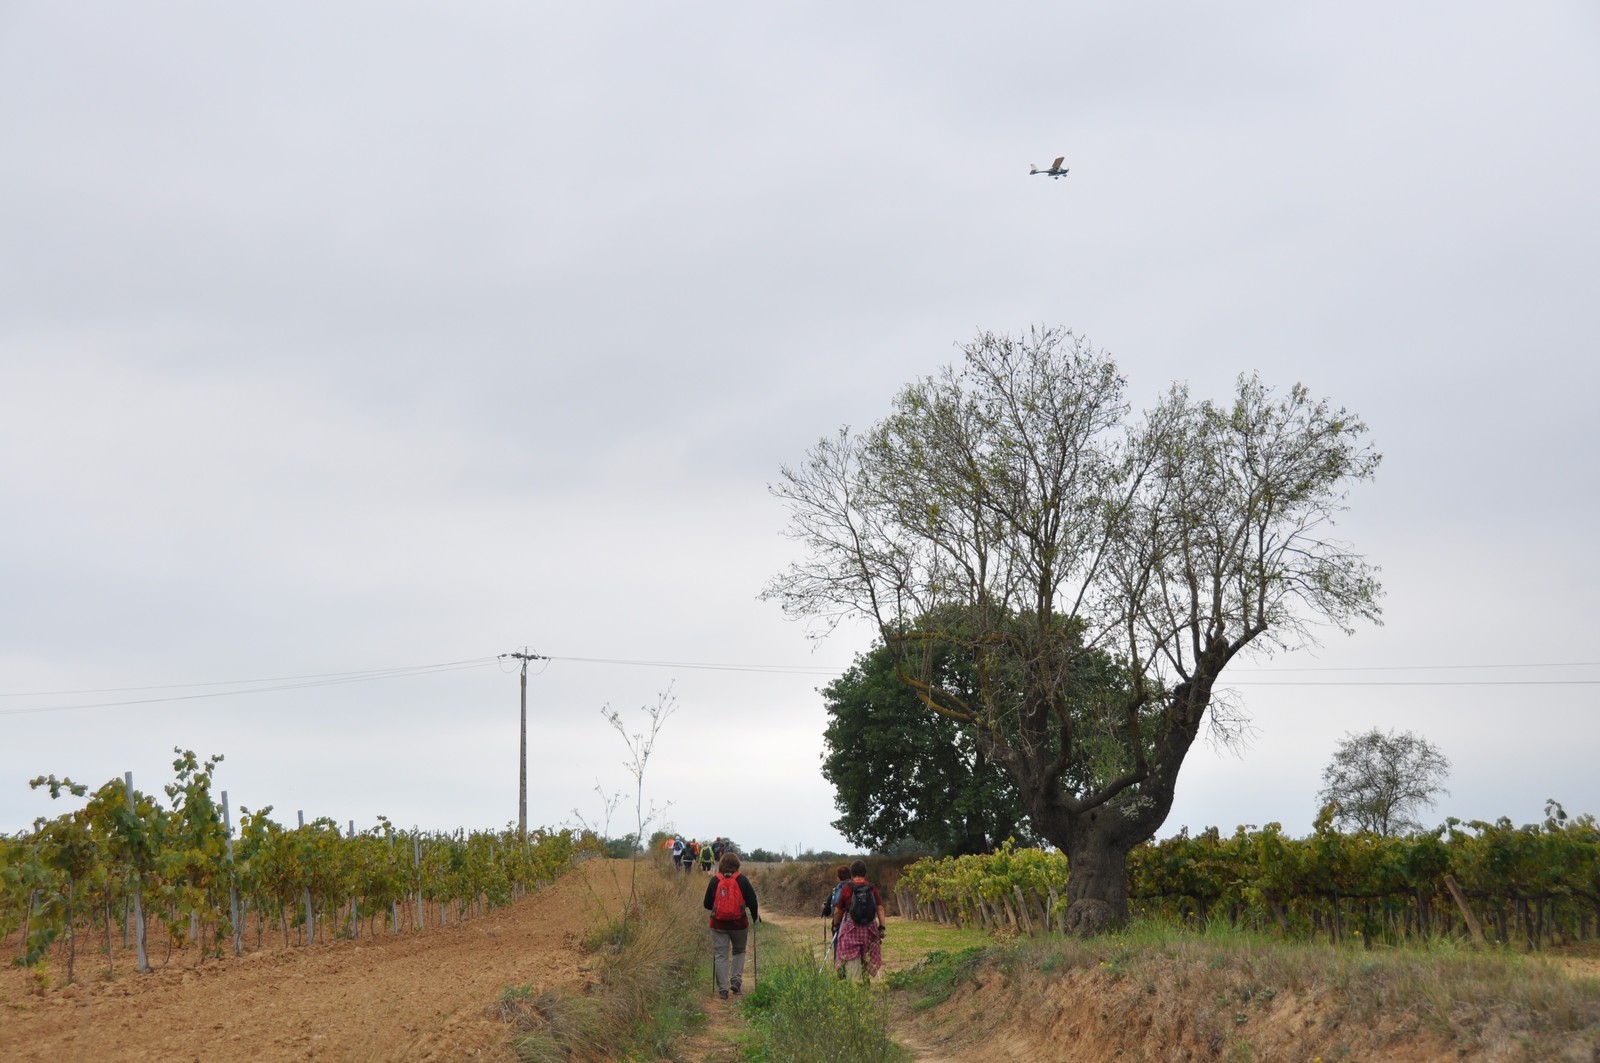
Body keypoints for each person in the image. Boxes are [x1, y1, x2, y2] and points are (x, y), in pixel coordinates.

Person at [704, 851, 760, 999]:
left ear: (721, 864)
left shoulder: (715, 880)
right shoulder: (742, 880)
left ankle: (723, 990)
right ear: (737, 864)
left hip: (718, 924)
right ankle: (736, 982)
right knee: (739, 951)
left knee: (720, 955)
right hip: (739, 924)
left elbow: (707, 904)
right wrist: (755, 917)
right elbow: (753, 901)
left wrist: (719, 907)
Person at [831, 859, 885, 982]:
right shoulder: (871, 888)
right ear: (865, 873)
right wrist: (882, 927)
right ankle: (865, 983)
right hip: (869, 930)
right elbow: (880, 909)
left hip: (851, 929)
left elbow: (838, 911)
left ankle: (856, 985)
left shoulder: (847, 888)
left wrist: (836, 924)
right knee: (866, 957)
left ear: (852, 874)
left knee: (852, 959)